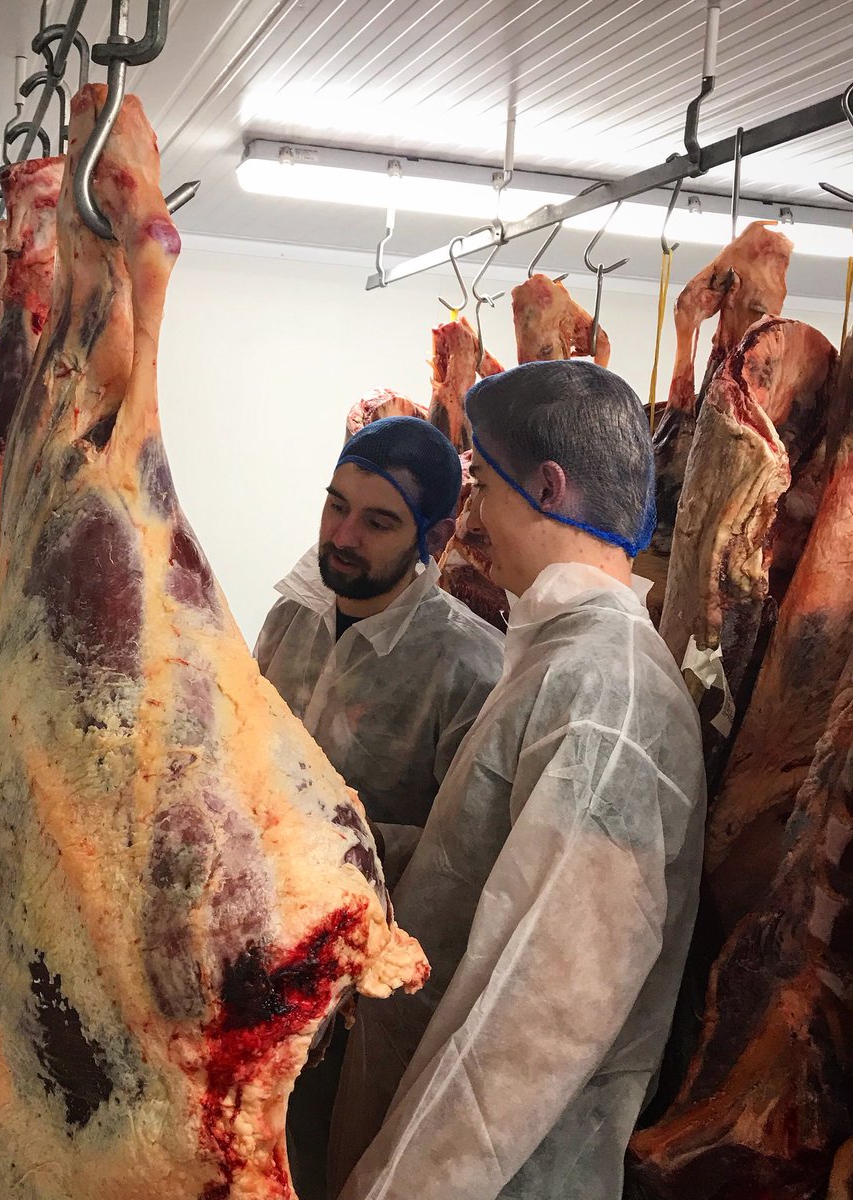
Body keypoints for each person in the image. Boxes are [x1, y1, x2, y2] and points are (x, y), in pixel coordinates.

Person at [328, 361, 706, 1200]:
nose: (469, 517)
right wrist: (339, 841)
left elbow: (540, 1014)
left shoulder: (611, 692)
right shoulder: (560, 657)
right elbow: (484, 865)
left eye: (482, 486)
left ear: (548, 485)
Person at [255, 415, 504, 1200]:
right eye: (336, 506)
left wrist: (326, 841)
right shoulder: (291, 617)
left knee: (332, 1169)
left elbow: (466, 853)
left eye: (377, 520)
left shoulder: (467, 665)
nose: (343, 535)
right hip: (257, 960)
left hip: (368, 996)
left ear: (432, 535)